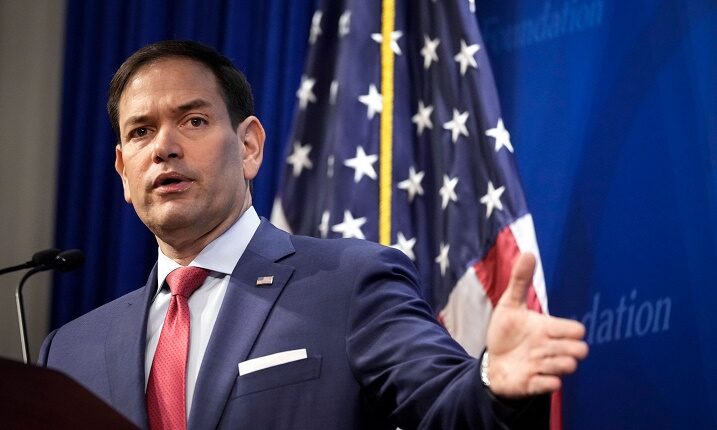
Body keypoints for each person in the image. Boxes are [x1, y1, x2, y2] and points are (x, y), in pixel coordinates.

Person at [39, 40, 588, 429]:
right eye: (141, 131)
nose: (164, 147)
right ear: (123, 171)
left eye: (194, 121)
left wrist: (493, 380)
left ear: (249, 146)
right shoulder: (68, 352)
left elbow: (446, 407)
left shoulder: (350, 284)